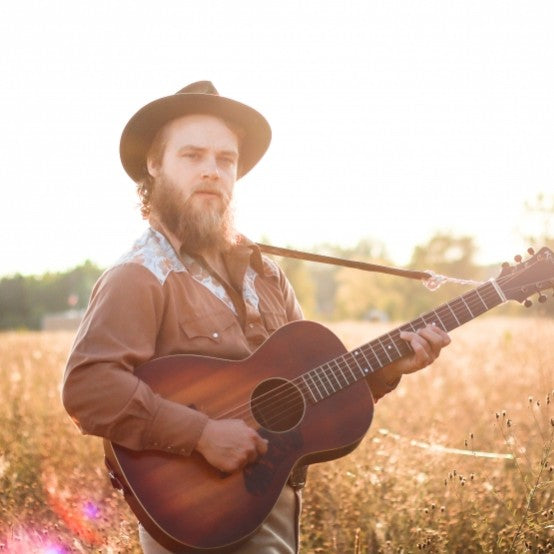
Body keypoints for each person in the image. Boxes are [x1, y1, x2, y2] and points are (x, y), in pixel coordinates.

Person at [62, 81, 451, 553]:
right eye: (192, 156)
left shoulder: (265, 274)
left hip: (267, 505)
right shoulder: (139, 275)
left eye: (225, 160)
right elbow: (88, 388)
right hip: (197, 516)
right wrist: (202, 434)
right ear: (155, 165)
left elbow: (309, 393)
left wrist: (385, 370)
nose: (212, 171)